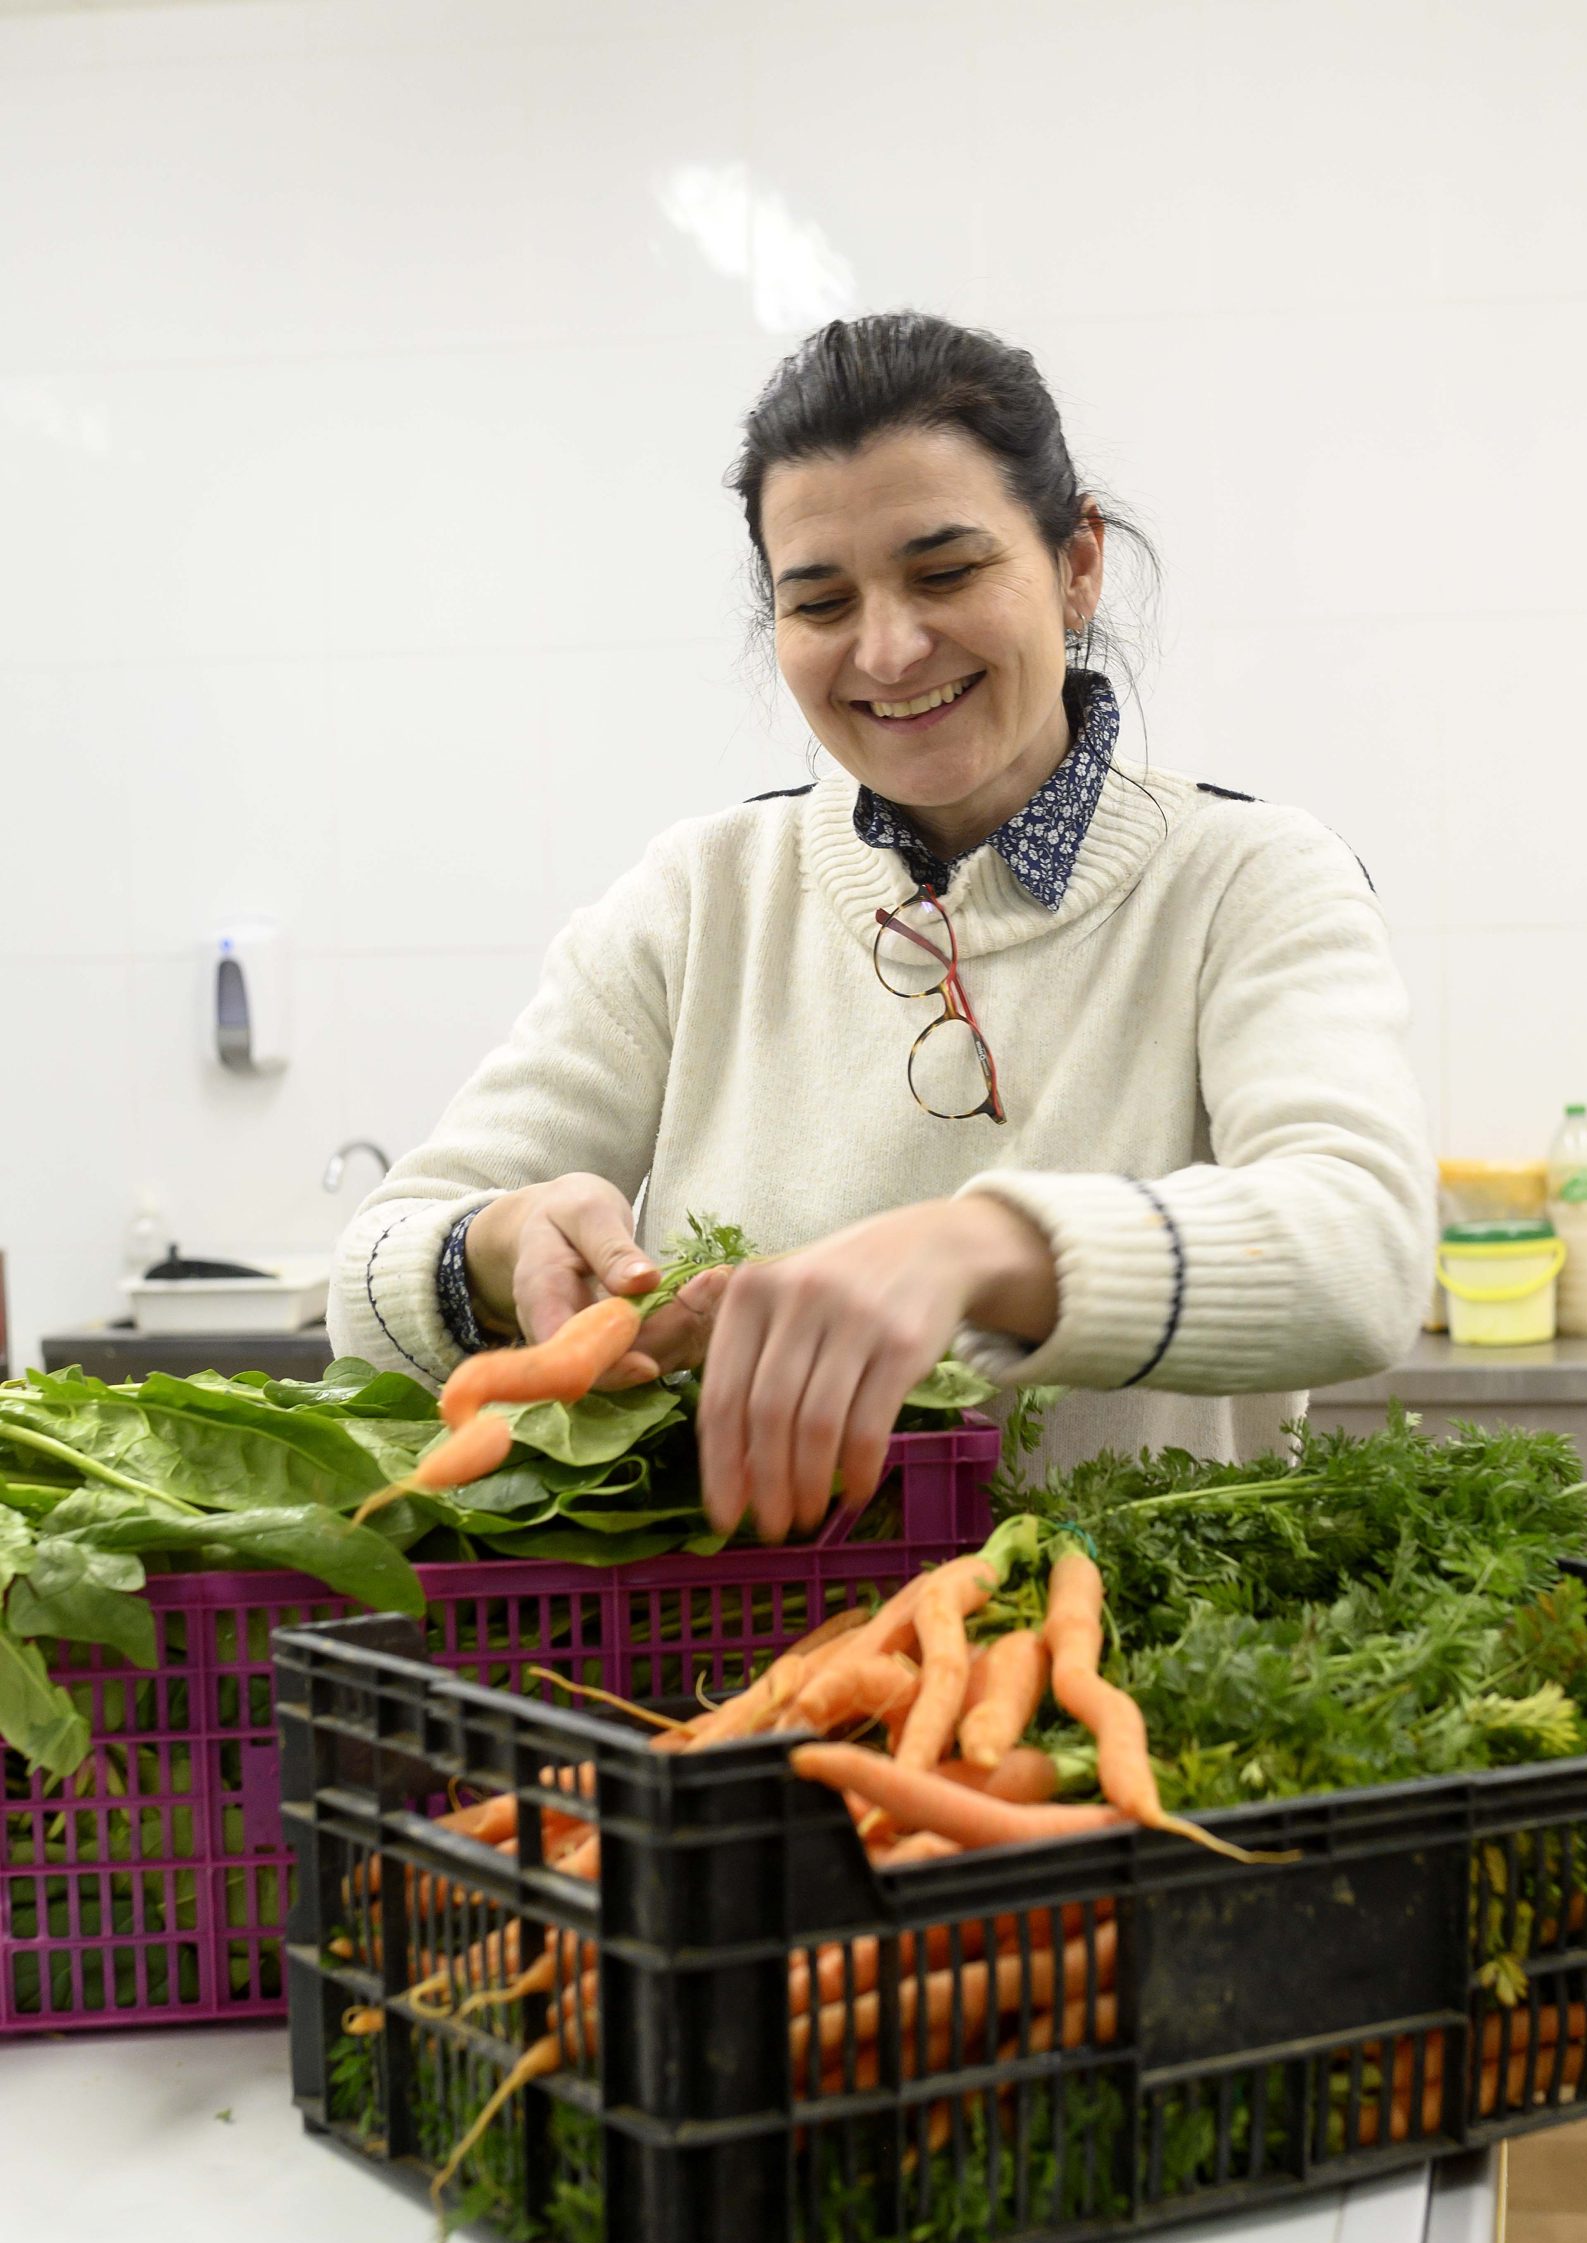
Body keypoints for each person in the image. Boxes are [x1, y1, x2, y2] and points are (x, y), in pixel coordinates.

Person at [330, 313, 1433, 1542]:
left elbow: (1363, 1250)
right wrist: (499, 1243)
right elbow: (365, 1275)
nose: (891, 648)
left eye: (947, 573)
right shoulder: (701, 899)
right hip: (735, 1679)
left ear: (1077, 565)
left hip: (1149, 1680)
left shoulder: (1250, 882)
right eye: (821, 601)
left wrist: (981, 1249)